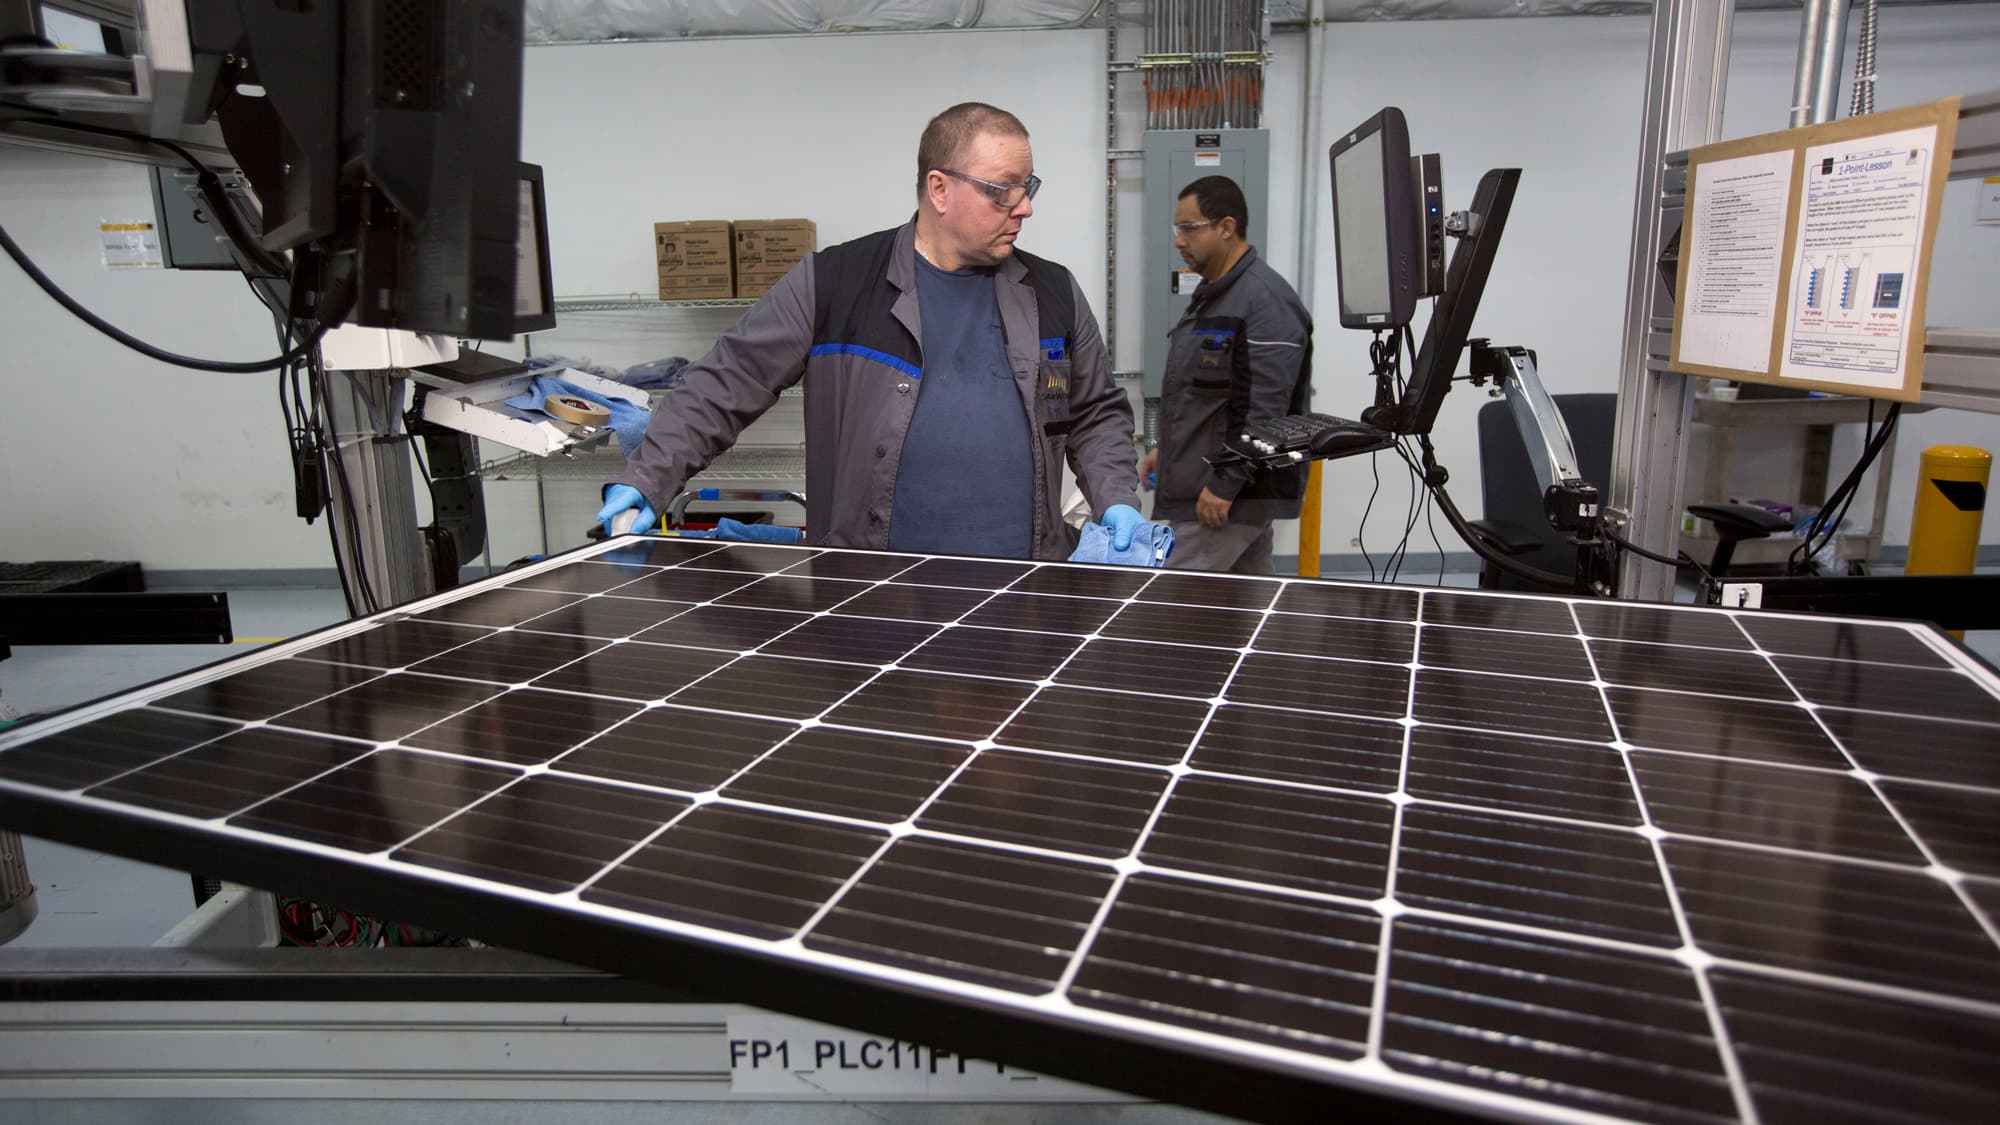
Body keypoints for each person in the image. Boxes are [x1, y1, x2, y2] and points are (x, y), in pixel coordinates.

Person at [597, 102, 1145, 560]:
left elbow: (1095, 411)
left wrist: (1116, 497)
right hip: (872, 597)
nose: (1024, 207)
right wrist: (649, 477)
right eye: (1002, 190)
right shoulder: (835, 283)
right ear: (939, 188)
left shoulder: (1052, 291)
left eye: (1028, 187)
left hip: (1024, 598)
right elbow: (724, 384)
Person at [1138, 175, 1313, 574]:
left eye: (1189, 228)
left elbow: (1266, 411)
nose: (1179, 240)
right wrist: (1168, 451)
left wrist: (1224, 482)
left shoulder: (1265, 302)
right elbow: (1201, 399)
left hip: (1228, 497)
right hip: (1219, 488)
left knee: (1173, 612)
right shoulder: (1213, 296)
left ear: (1226, 228)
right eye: (1177, 229)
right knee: (1236, 614)